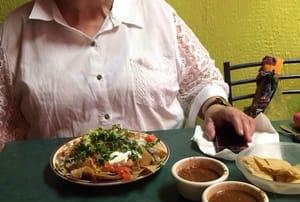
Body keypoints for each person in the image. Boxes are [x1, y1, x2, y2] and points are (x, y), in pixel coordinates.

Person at [0, 0, 255, 147]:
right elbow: (5, 130)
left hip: (163, 183)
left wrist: (216, 108)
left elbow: (199, 80)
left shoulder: (156, 12)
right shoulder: (14, 31)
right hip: (59, 195)